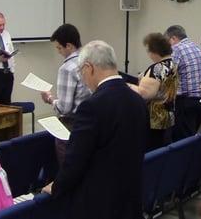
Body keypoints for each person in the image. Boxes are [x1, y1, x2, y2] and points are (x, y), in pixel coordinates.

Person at [43, 41, 148, 219]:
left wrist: (56, 186)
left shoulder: (91, 107)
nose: (83, 78)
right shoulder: (137, 100)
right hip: (131, 196)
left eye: (81, 72)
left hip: (99, 202)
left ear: (88, 67)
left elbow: (76, 158)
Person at [41, 24, 91, 164]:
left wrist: (50, 99)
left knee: (68, 167)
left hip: (71, 125)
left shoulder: (67, 68)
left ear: (69, 46)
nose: (58, 51)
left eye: (59, 48)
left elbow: (65, 108)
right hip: (90, 121)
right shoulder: (90, 60)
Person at [129, 33, 178, 151]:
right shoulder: (172, 64)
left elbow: (144, 94)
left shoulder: (157, 68)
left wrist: (126, 85)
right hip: (167, 116)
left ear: (155, 51)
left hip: (154, 119)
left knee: (152, 151)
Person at [165, 25, 201, 141]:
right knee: (190, 138)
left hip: (187, 102)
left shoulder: (177, 49)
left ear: (173, 38)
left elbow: (168, 73)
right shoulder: (196, 47)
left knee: (181, 141)